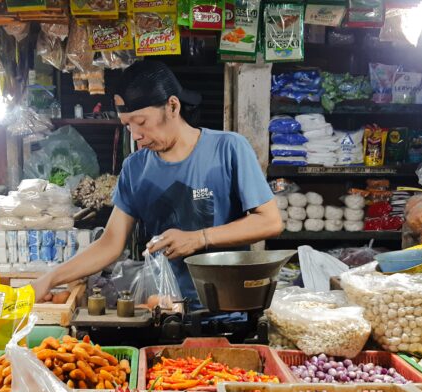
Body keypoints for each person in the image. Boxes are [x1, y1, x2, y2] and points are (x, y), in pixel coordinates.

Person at [31, 60, 283, 308]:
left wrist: (200, 238)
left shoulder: (228, 148)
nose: (136, 135)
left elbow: (269, 221)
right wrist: (50, 278)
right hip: (165, 308)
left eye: (141, 122)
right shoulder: (135, 168)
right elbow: (110, 243)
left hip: (230, 308)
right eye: (128, 125)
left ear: (172, 106)